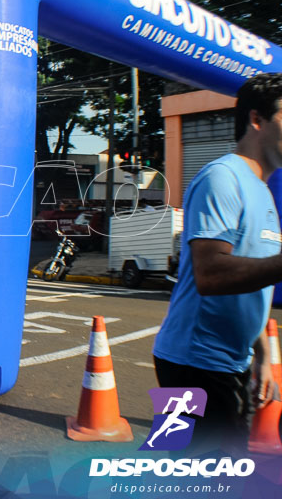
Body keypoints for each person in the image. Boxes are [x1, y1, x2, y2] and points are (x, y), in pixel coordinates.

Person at [152, 72, 282, 455]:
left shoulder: (262, 190)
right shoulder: (224, 178)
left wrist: (261, 353)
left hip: (229, 363)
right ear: (257, 120)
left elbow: (251, 281)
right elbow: (211, 274)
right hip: (193, 364)